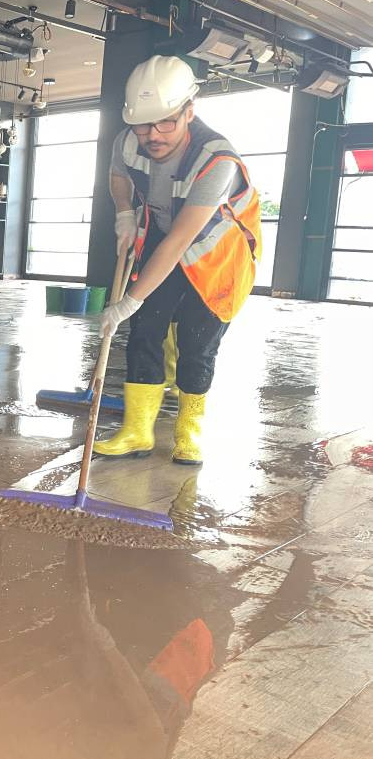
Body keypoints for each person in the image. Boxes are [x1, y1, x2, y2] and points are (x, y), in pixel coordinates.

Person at [95, 55, 261, 465]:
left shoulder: (216, 160)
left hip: (217, 256)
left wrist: (128, 301)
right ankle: (137, 431)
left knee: (196, 343)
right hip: (164, 235)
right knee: (144, 332)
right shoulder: (128, 140)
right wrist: (124, 212)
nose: (152, 135)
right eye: (143, 125)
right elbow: (118, 174)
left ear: (189, 111)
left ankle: (189, 432)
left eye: (166, 123)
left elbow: (181, 240)